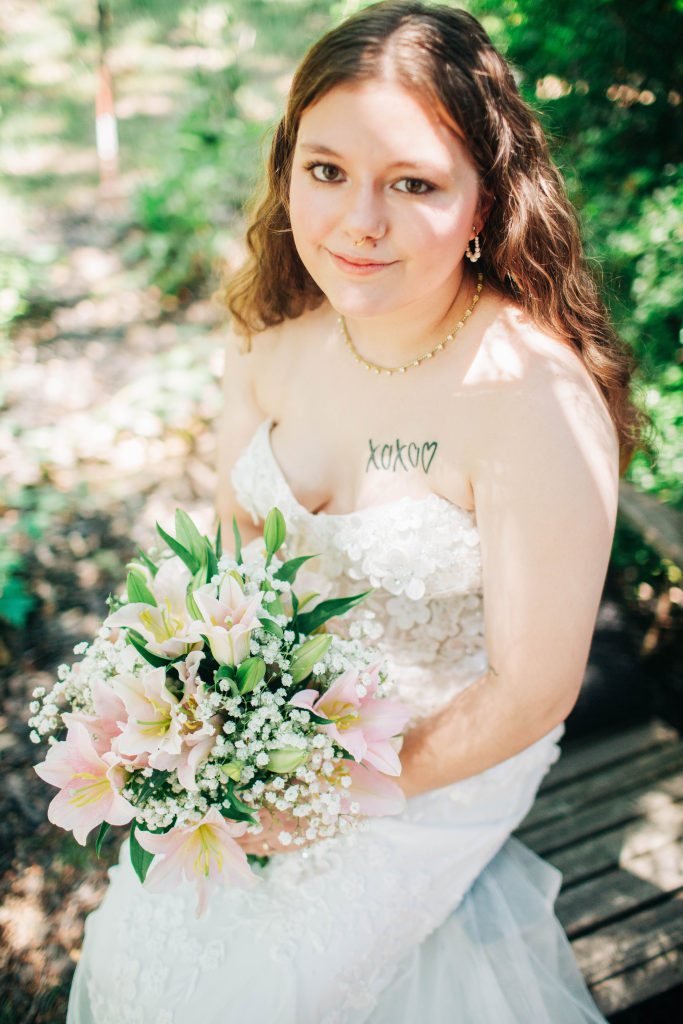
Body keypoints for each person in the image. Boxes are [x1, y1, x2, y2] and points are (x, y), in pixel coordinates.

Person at [67, 3, 644, 1021]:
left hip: (446, 747)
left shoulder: (529, 400)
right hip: (271, 727)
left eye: (412, 183)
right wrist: (193, 726)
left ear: (485, 201)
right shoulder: (272, 336)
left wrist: (320, 798)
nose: (356, 223)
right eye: (325, 171)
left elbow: (530, 689)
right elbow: (222, 571)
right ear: (288, 168)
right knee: (138, 937)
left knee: (250, 993)